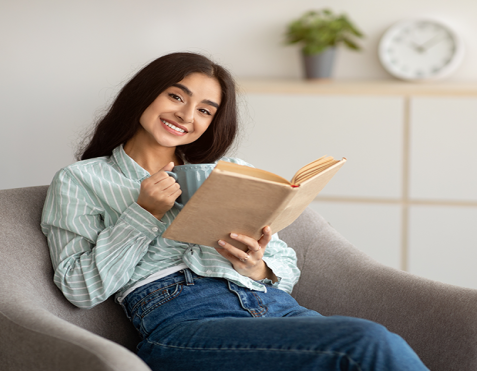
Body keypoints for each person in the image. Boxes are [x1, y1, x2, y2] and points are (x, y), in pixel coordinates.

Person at [41, 52, 429, 371]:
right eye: (176, 97)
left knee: (381, 346)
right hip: (185, 322)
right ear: (144, 94)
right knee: (363, 342)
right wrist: (142, 215)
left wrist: (255, 264)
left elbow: (285, 268)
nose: (187, 116)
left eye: (205, 111)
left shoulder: (231, 174)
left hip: (275, 309)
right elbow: (80, 290)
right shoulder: (81, 180)